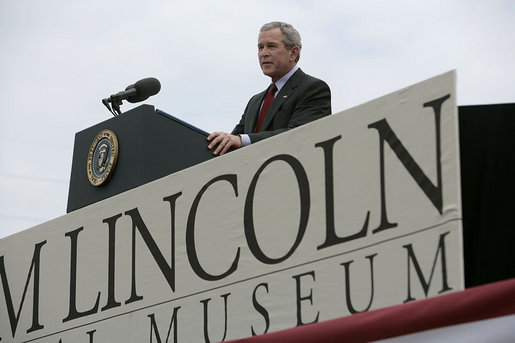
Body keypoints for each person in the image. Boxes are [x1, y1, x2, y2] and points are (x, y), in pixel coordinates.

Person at [207, 21, 331, 155]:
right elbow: (232, 142)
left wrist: (243, 140)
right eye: (260, 47)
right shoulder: (255, 101)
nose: (264, 53)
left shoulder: (313, 89)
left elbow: (299, 135)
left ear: (293, 53)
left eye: (271, 46)